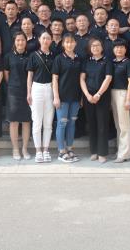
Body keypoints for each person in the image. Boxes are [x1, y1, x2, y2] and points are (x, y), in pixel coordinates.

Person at [80, 38, 113, 163]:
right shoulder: (86, 61)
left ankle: (102, 153)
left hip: (102, 96)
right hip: (88, 96)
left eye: (98, 45)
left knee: (102, 125)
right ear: (90, 48)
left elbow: (108, 78)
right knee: (92, 124)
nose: (95, 47)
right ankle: (94, 151)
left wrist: (98, 94)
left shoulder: (107, 61)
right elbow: (82, 79)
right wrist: (87, 95)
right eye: (93, 46)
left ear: (102, 47)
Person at [52, 33, 83, 163]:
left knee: (72, 123)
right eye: (67, 42)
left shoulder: (79, 58)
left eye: (72, 42)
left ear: (75, 43)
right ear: (63, 44)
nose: (69, 44)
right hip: (62, 97)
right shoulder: (59, 59)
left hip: (75, 96)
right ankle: (61, 151)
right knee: (62, 123)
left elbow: (82, 79)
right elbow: (55, 79)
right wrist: (56, 97)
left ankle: (69, 149)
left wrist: (81, 97)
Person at [27, 31, 56, 163]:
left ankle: (46, 150)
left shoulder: (54, 56)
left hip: (50, 88)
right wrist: (29, 92)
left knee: (48, 122)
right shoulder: (33, 55)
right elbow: (30, 76)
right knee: (37, 121)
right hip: (37, 88)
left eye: (48, 38)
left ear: (51, 40)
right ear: (39, 39)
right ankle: (38, 151)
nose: (45, 40)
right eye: (43, 38)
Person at [3, 32, 32, 161]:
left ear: (26, 42)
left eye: (23, 40)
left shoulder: (30, 56)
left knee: (26, 120)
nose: (20, 42)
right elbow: (6, 74)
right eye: (18, 40)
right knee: (14, 121)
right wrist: (12, 85)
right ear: (14, 42)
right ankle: (15, 148)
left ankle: (24, 148)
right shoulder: (8, 56)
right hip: (13, 91)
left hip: (28, 91)